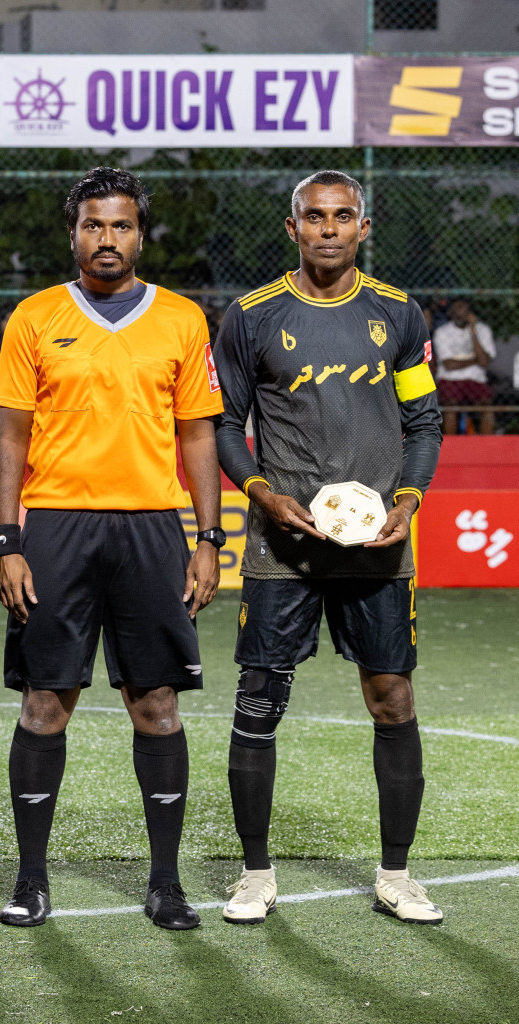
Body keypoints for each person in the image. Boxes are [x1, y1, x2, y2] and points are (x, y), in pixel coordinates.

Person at [0, 167, 223, 931]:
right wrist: (6, 542)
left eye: (121, 226)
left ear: (140, 234)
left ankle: (166, 883)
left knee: (156, 704)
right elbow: (10, 436)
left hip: (153, 528)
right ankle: (31, 881)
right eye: (94, 225)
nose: (107, 239)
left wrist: (207, 536)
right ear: (73, 233)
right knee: (44, 702)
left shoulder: (184, 320)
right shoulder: (33, 317)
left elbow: (198, 433)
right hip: (57, 526)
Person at [213, 169, 443, 925]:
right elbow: (225, 426)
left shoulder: (399, 315)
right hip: (284, 548)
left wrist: (407, 499)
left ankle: (397, 875)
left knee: (392, 698)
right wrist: (261, 493)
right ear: (293, 229)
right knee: (258, 703)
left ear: (363, 228)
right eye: (315, 217)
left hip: (378, 548)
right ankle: (254, 873)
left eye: (344, 216)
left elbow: (424, 422)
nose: (329, 229)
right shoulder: (250, 317)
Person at [431, 298, 496, 435]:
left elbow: (484, 362)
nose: (461, 312)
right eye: (457, 308)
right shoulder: (443, 332)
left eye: (464, 308)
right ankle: (451, 448)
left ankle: (488, 447)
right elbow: (449, 365)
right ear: (451, 312)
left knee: (488, 408)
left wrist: (473, 332)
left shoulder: (482, 330)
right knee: (451, 407)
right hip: (449, 379)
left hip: (476, 379)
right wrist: (475, 359)